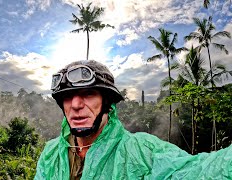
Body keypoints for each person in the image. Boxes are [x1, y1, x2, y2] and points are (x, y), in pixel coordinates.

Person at [34, 60, 232, 179]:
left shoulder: (141, 150)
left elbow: (196, 171)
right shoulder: (52, 153)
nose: (75, 104)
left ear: (107, 103)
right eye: (68, 96)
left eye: (88, 93)